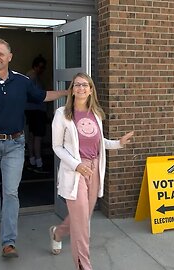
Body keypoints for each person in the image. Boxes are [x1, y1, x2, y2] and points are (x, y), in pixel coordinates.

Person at [0, 38, 67, 258]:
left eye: (1, 54)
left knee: (10, 191)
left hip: (15, 144)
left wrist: (66, 94)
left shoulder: (22, 81)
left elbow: (42, 96)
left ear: (10, 57)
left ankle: (8, 242)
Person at [49, 73, 134, 270]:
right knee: (82, 227)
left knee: (82, 218)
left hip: (94, 171)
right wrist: (76, 165)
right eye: (77, 85)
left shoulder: (95, 114)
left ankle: (58, 233)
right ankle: (84, 266)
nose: (81, 88)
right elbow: (57, 146)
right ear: (72, 89)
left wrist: (118, 144)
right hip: (75, 172)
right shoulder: (62, 114)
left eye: (85, 85)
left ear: (91, 89)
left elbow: (98, 142)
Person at [25, 55, 48, 173]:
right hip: (36, 111)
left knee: (32, 136)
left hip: (32, 111)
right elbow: (37, 96)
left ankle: (33, 160)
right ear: (35, 66)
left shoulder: (30, 76)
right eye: (41, 67)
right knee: (37, 137)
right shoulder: (32, 78)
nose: (42, 70)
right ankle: (38, 163)